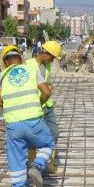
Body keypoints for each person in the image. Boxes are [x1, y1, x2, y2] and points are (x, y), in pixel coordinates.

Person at [0, 45, 54, 187]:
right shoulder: (32, 71)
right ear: (21, 59)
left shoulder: (1, 76)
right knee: (47, 143)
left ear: (6, 62)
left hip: (14, 123)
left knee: (15, 155)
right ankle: (37, 165)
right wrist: (38, 102)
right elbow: (47, 91)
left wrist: (11, 106)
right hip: (34, 120)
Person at [25, 40, 62, 174]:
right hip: (34, 108)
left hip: (47, 105)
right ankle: (31, 164)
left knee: (54, 133)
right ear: (45, 53)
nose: (52, 61)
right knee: (32, 138)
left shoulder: (46, 66)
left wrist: (49, 85)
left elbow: (45, 82)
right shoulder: (27, 65)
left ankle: (49, 163)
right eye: (52, 58)